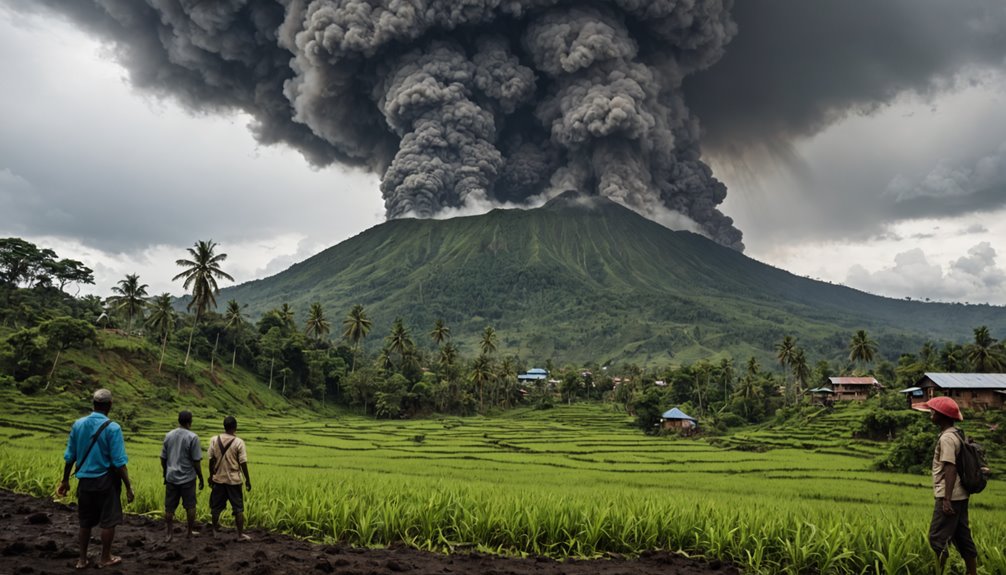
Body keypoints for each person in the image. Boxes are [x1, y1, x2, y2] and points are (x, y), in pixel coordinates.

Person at [57, 388, 135, 570]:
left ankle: (82, 560)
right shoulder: (113, 428)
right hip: (106, 481)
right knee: (108, 520)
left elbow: (70, 456)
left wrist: (65, 480)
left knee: (85, 522)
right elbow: (118, 462)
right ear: (109, 405)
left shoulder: (78, 424)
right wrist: (128, 486)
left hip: (84, 481)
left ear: (93, 404)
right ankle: (105, 557)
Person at [914, 396, 978, 575]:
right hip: (961, 495)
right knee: (962, 536)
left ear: (942, 415)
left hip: (950, 495)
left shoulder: (947, 439)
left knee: (936, 537)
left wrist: (947, 499)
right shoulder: (956, 434)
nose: (931, 413)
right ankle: (972, 572)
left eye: (934, 411)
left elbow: (950, 468)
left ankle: (940, 571)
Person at [161, 410, 204, 542]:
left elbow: (163, 458)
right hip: (188, 478)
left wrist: (165, 472)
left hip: (171, 477)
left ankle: (169, 533)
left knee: (169, 507)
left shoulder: (169, 435)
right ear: (190, 422)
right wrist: (201, 478)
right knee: (190, 506)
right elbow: (196, 461)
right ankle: (189, 532)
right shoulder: (193, 437)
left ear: (179, 420)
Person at [207, 415, 252, 541]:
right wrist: (248, 480)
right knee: (238, 508)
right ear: (235, 427)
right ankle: (240, 534)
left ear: (224, 426)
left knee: (216, 507)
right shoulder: (239, 442)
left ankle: (215, 530)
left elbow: (211, 460)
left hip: (218, 479)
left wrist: (211, 476)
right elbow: (243, 463)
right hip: (234, 480)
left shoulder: (214, 440)